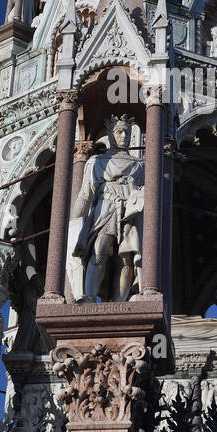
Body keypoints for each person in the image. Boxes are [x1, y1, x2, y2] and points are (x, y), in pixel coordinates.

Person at [71, 116, 145, 302]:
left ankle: (120, 301)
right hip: (105, 209)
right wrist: (74, 224)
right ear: (110, 135)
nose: (123, 136)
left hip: (130, 211)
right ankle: (88, 296)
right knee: (99, 251)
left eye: (127, 132)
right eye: (119, 132)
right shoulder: (96, 162)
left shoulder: (139, 165)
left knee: (127, 258)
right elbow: (84, 195)